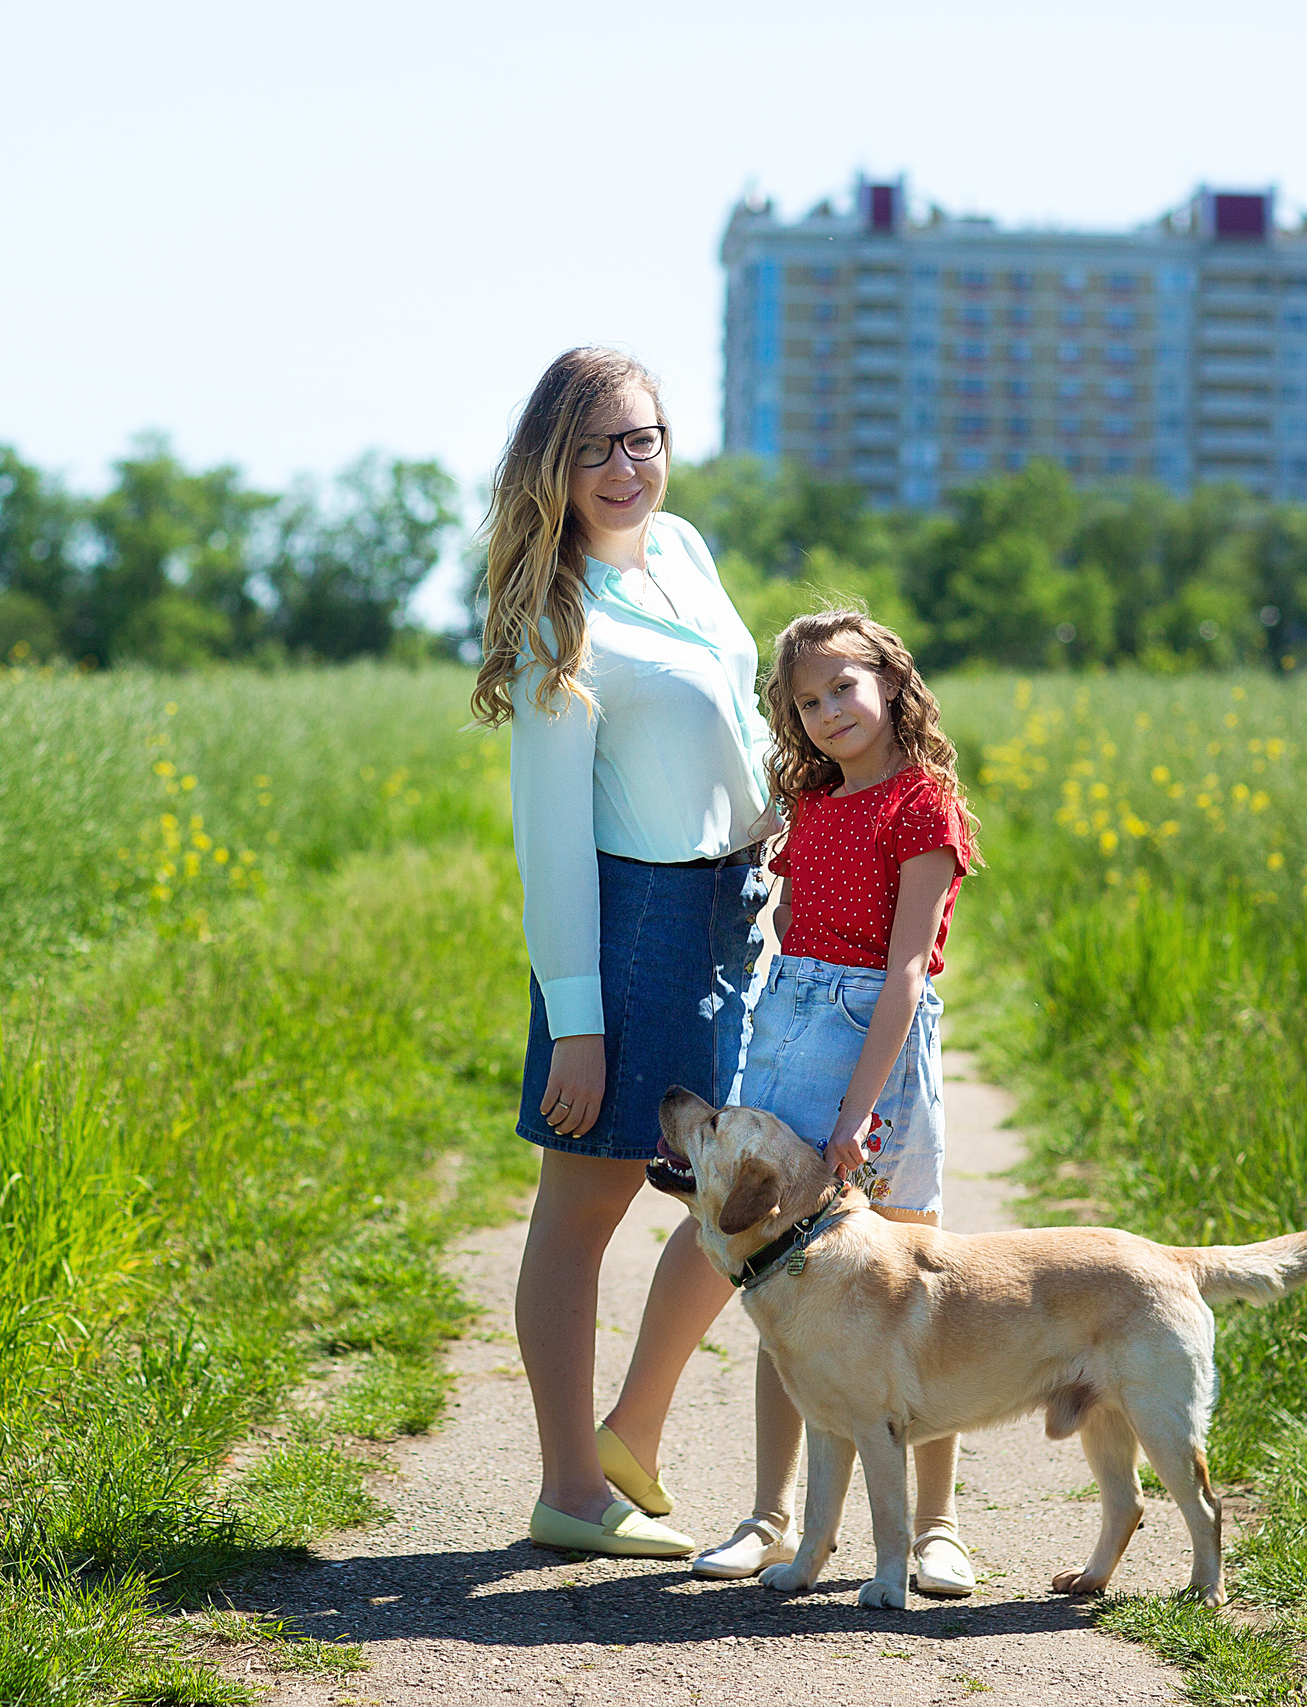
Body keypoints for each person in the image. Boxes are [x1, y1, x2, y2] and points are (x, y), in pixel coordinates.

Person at [471, 348, 775, 1557]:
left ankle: (632, 1429)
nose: (620, 467)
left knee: (746, 1191)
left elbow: (738, 716)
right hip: (634, 920)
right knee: (584, 1205)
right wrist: (578, 1023)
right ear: (552, 464)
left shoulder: (684, 549)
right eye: (592, 447)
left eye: (639, 439)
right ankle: (571, 1490)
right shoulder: (558, 617)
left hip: (735, 910)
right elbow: (548, 843)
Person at [688, 608, 984, 1598]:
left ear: (891, 681)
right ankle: (771, 1518)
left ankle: (936, 1528)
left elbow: (905, 971)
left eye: (844, 686)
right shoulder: (810, 802)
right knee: (782, 1285)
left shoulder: (921, 803)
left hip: (876, 1045)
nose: (827, 711)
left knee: (915, 1278)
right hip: (789, 1029)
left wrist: (859, 1111)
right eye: (807, 701)